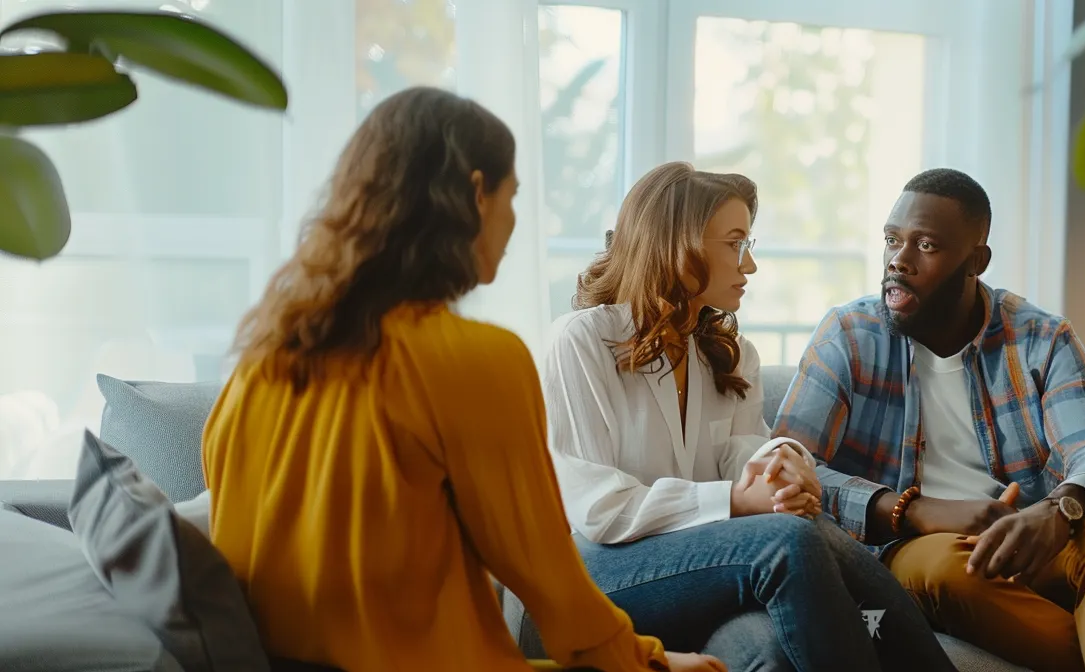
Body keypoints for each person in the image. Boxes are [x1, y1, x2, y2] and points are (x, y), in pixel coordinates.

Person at [201, 87, 723, 672]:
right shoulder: (475, 362)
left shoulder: (257, 365)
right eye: (513, 197)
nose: (513, 221)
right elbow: (552, 586)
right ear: (476, 194)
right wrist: (651, 663)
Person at [542, 161, 957, 672]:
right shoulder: (582, 340)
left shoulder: (730, 352)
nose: (750, 266)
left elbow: (747, 451)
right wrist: (737, 500)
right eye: (734, 244)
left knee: (768, 649)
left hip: (705, 577)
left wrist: (786, 471)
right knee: (789, 538)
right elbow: (601, 510)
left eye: (749, 244)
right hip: (597, 577)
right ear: (679, 245)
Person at [772, 168, 1085, 672]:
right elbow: (786, 470)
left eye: (926, 245)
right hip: (918, 549)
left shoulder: (1041, 339)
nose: (899, 259)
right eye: (893, 240)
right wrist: (912, 510)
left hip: (1029, 537)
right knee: (945, 566)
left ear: (975, 261)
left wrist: (1056, 513)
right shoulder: (849, 335)